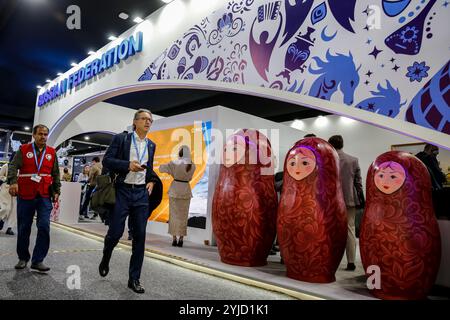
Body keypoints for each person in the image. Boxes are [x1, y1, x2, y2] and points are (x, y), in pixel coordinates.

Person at [99, 108, 161, 294]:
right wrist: (127, 166)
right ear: (135, 122)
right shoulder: (122, 139)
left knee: (140, 237)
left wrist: (151, 179)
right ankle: (106, 254)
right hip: (122, 192)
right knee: (115, 233)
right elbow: (107, 161)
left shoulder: (151, 145)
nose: (148, 122)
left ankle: (134, 279)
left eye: (150, 119)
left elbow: (149, 168)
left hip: (141, 195)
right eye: (144, 119)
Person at [7, 124, 61, 272]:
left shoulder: (51, 152)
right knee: (24, 227)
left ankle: (38, 260)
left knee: (44, 226)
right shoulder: (23, 150)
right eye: (40, 134)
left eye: (45, 134)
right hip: (26, 194)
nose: (43, 137)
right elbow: (12, 166)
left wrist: (57, 190)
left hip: (44, 194)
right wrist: (13, 182)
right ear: (34, 135)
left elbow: (55, 173)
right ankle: (23, 258)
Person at [328, 135, 363, 271]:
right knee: (350, 229)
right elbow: (358, 183)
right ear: (342, 144)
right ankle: (351, 262)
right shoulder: (353, 160)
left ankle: (330, 258)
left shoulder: (327, 160)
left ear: (330, 145)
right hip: (349, 200)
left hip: (331, 201)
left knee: (330, 229)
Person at [159, 145, 196, 247]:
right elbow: (190, 178)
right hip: (186, 190)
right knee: (183, 216)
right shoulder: (192, 165)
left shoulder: (174, 163)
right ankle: (181, 240)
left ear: (180, 153)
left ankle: (174, 239)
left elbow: (161, 168)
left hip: (175, 189)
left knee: (174, 216)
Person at [416, 144, 447, 218]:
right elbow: (437, 172)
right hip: (433, 189)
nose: (436, 156)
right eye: (436, 153)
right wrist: (443, 177)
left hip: (419, 189)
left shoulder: (416, 157)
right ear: (430, 150)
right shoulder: (429, 157)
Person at [0, 154, 17, 235]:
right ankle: (1, 219)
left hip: (16, 190)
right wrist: (6, 179)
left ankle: (9, 228)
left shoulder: (20, 168)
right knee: (5, 208)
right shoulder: (6, 166)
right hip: (5, 188)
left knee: (13, 210)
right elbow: (0, 176)